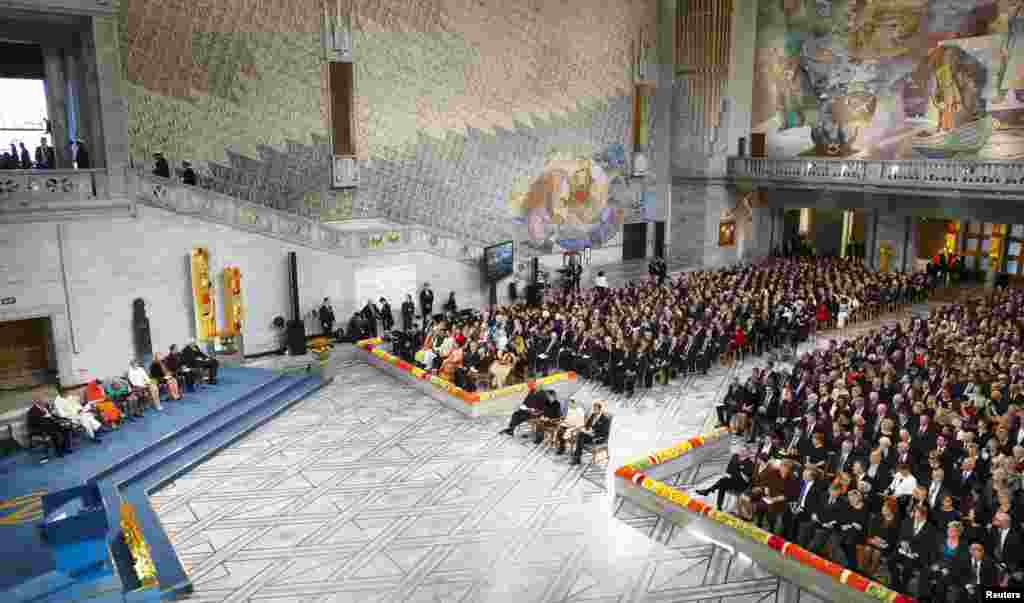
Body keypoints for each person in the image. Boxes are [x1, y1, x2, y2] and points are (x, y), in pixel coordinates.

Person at [568, 400, 611, 465]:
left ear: (600, 409)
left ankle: (577, 457)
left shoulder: (605, 419)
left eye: (596, 409)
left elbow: (605, 433)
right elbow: (587, 425)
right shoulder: (593, 415)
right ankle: (577, 458)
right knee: (580, 435)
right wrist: (587, 430)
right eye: (594, 408)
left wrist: (593, 433)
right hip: (589, 435)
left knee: (579, 437)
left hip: (598, 438)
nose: (594, 410)